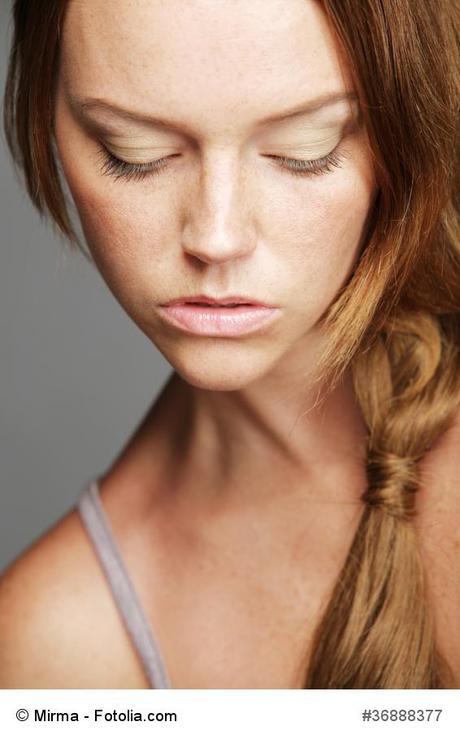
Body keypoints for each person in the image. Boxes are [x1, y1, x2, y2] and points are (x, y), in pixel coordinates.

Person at [0, 0, 459, 689]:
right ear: (46, 112)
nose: (216, 237)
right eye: (135, 153)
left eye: (305, 149)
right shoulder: (58, 646)